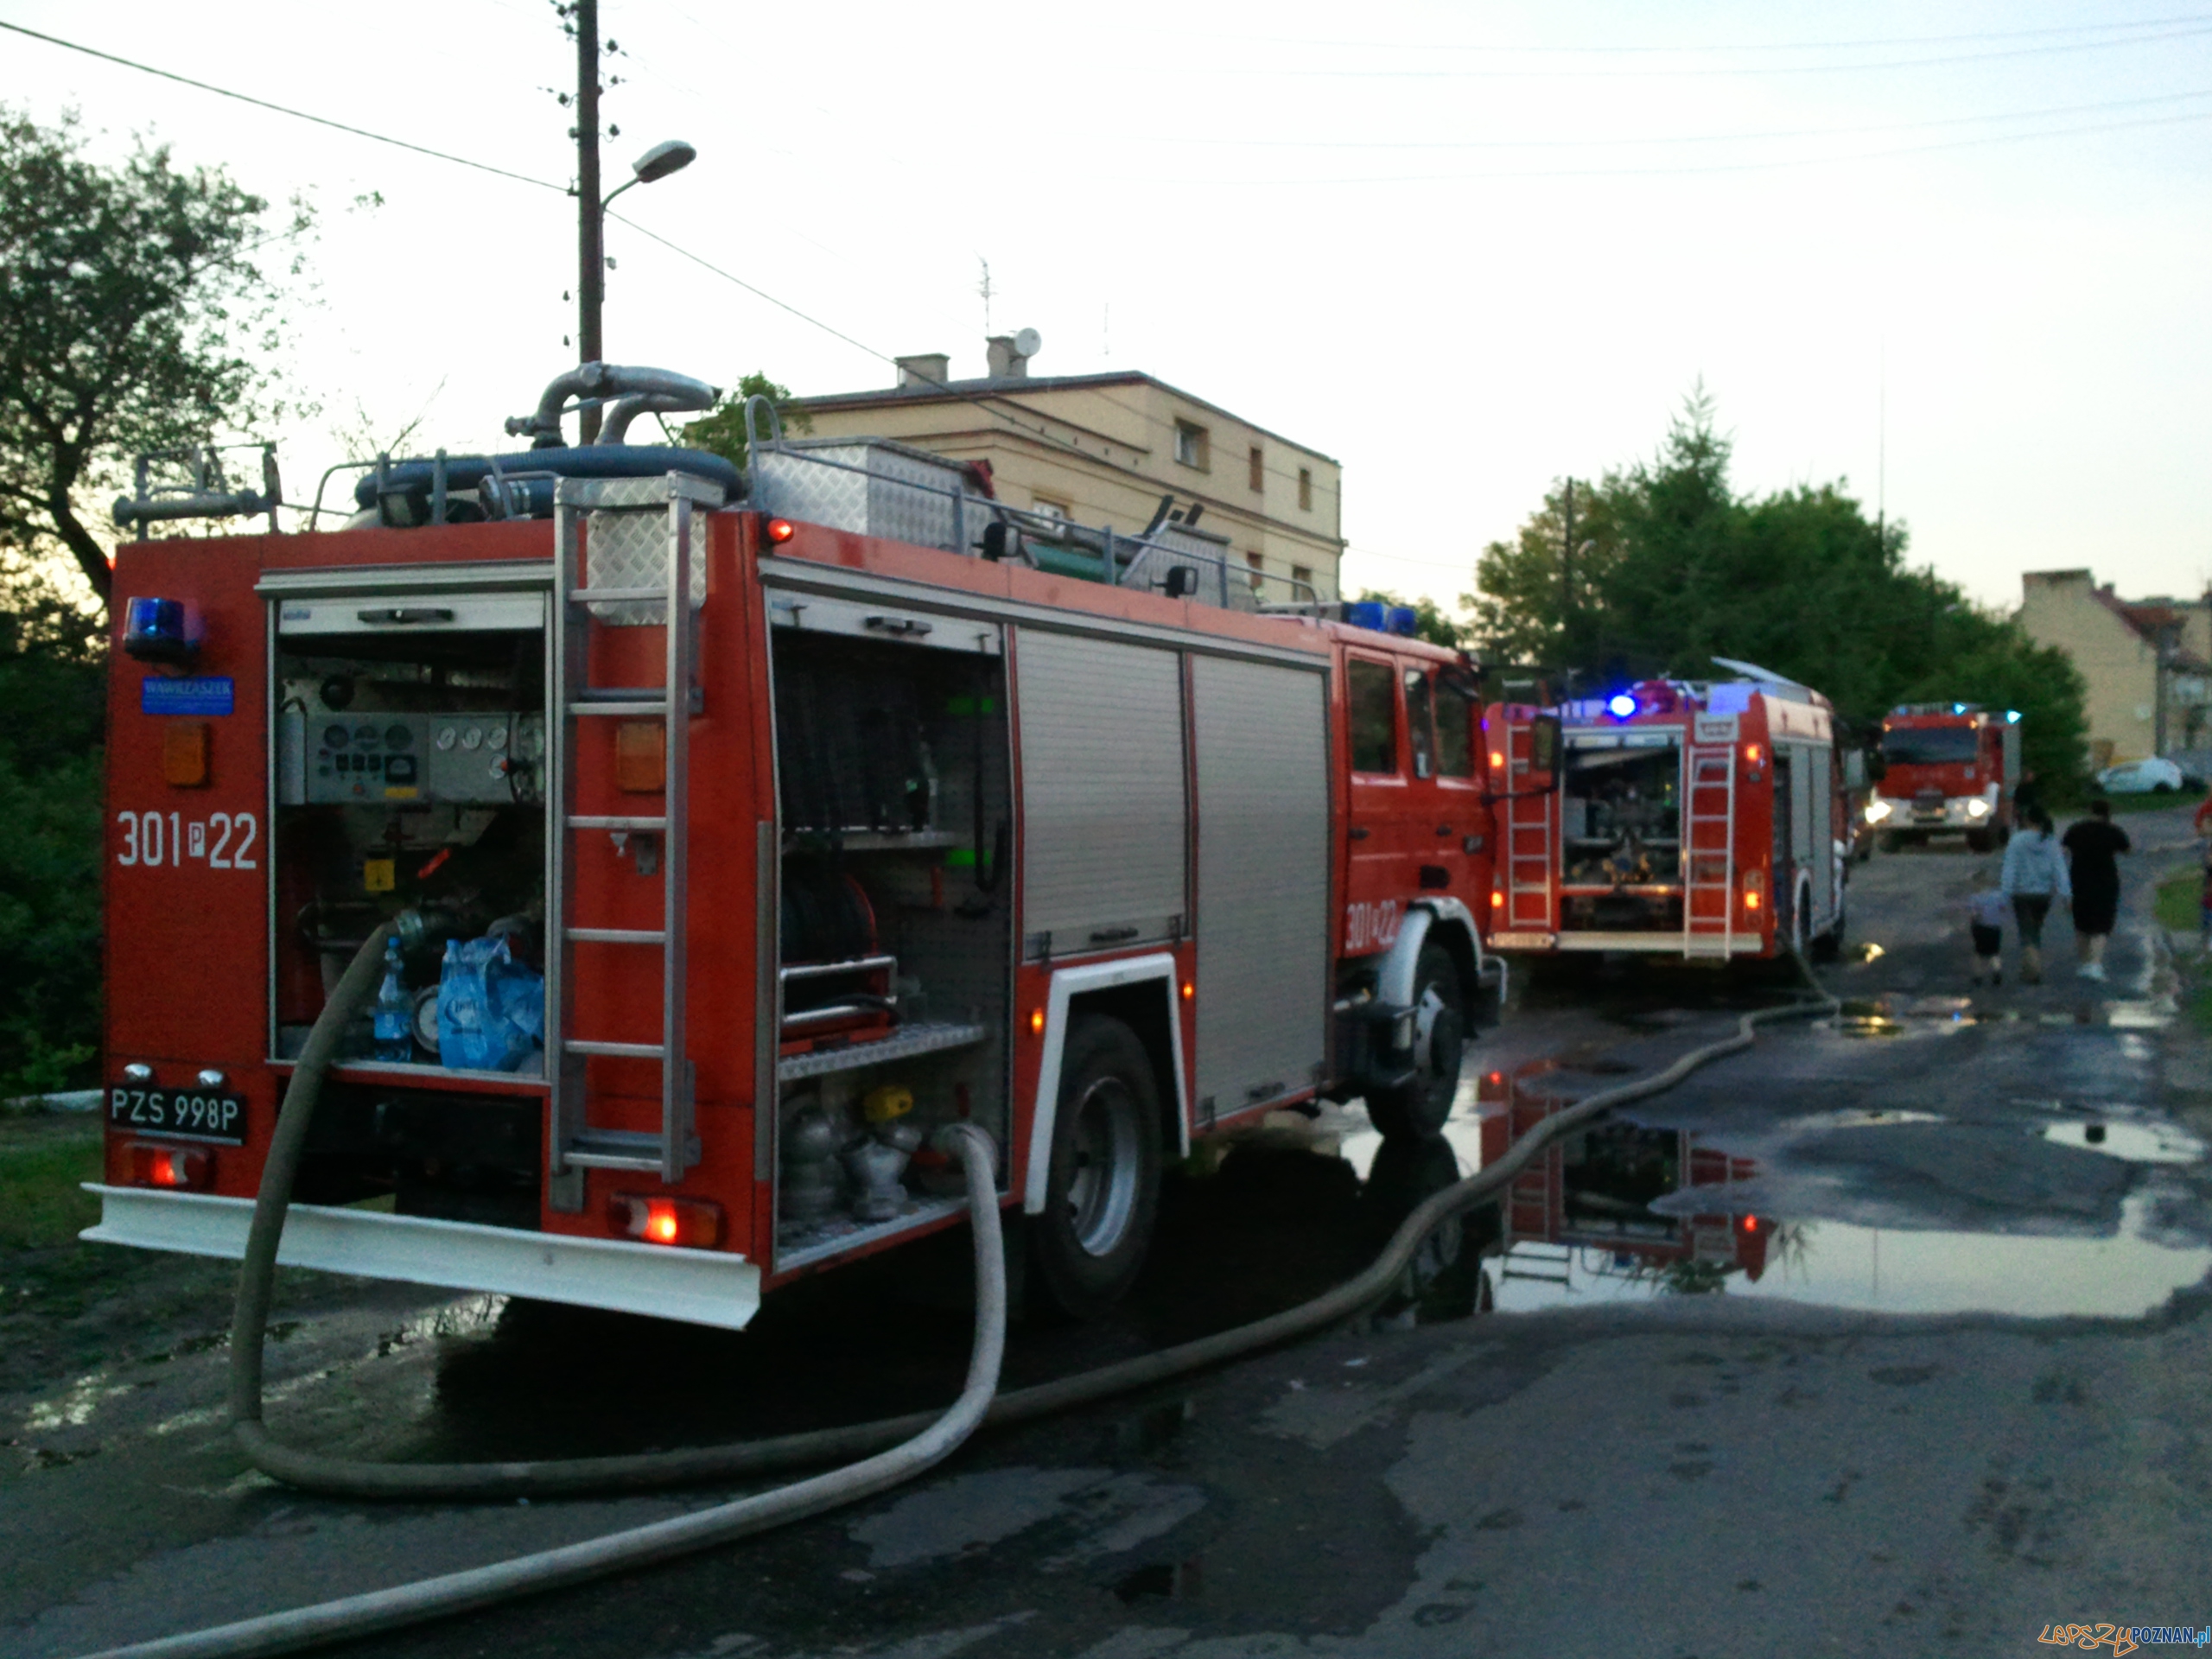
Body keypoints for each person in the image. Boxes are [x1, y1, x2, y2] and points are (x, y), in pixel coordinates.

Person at [2061, 799, 2131, 981]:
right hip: (2105, 882)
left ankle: (2084, 963)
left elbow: (2063, 850)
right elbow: (2127, 850)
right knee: (2101, 925)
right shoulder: (2113, 831)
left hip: (2079, 880)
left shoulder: (2076, 830)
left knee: (2081, 924)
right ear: (2107, 813)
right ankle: (2095, 964)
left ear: (2090, 811)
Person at [1999, 807, 2070, 985]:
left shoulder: (2017, 840)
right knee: (2036, 929)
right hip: (2044, 894)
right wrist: (2066, 894)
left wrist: (2005, 893)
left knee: (2026, 932)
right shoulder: (2050, 840)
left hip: (2021, 893)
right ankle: (2029, 967)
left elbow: (2010, 868)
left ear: (2027, 820)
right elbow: (2059, 868)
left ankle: (2033, 970)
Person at [1965, 874, 2007, 987]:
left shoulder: (1974, 897)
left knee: (1978, 953)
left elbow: (1974, 914)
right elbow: (2003, 908)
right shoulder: (1998, 895)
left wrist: (1973, 922)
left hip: (1981, 927)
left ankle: (1978, 976)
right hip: (1995, 926)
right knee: (1994, 952)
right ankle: (1997, 971)